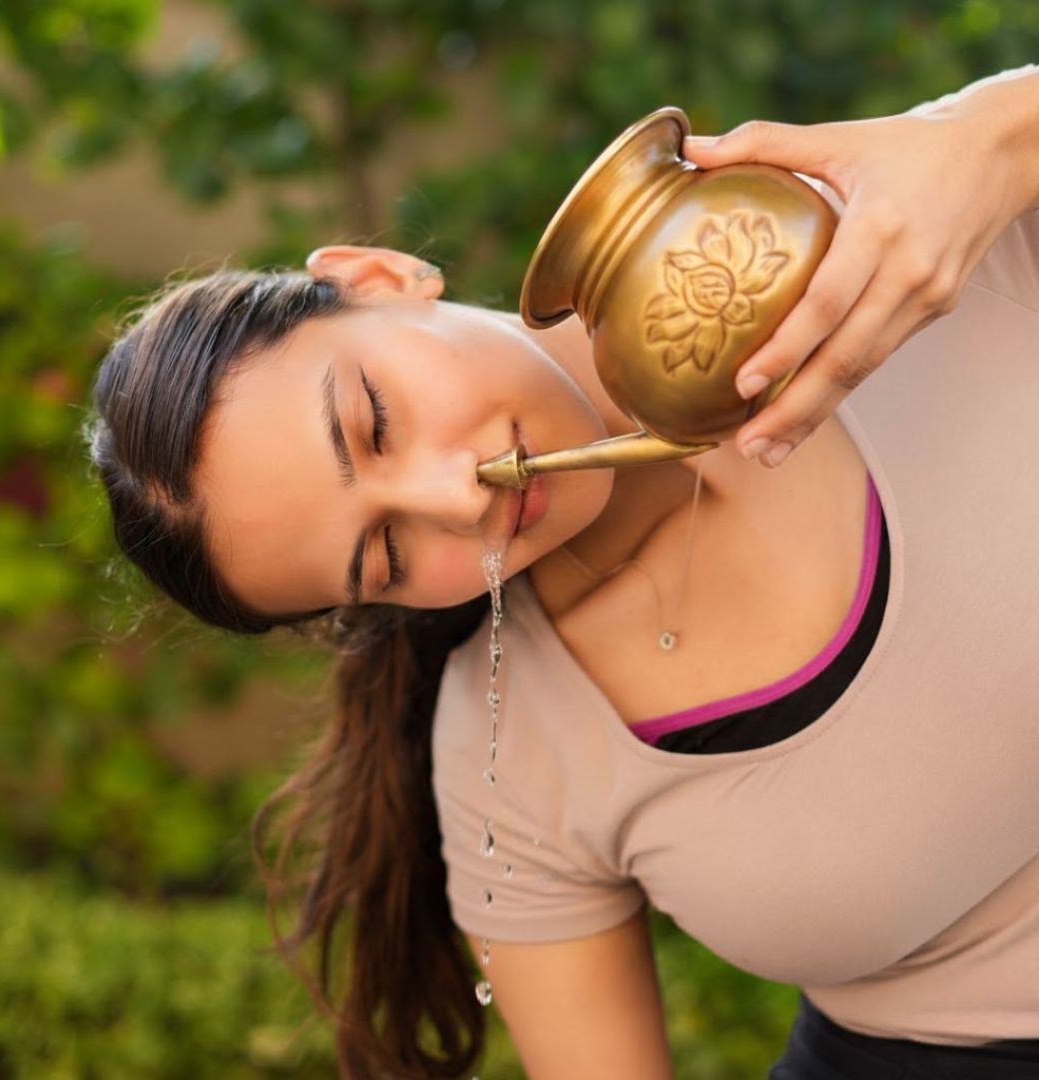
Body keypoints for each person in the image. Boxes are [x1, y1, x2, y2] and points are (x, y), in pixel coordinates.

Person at [85, 64, 1039, 1079]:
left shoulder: (814, 243)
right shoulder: (510, 764)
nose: (461, 497)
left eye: (376, 422)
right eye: (390, 554)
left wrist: (995, 132)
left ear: (379, 276)